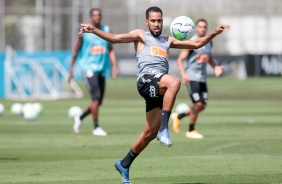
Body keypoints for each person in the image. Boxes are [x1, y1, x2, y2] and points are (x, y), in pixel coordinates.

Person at [79, 7, 229, 183]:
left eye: (159, 20)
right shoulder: (141, 35)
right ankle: (165, 128)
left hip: (158, 86)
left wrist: (214, 33)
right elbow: (115, 38)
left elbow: (196, 44)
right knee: (175, 82)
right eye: (153, 21)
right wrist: (94, 30)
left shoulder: (167, 40)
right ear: (146, 22)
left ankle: (124, 164)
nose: (157, 24)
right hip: (146, 81)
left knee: (149, 133)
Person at [68, 8, 118, 136]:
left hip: (102, 68)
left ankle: (80, 117)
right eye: (95, 15)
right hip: (88, 68)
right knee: (95, 98)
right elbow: (75, 51)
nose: (97, 17)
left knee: (98, 101)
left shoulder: (106, 30)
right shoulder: (84, 32)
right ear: (90, 17)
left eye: (99, 15)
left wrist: (114, 66)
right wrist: (71, 71)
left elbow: (111, 49)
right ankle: (96, 127)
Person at [171, 19, 224, 139]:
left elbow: (208, 57)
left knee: (202, 106)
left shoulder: (209, 43)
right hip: (192, 77)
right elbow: (180, 60)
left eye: (204, 27)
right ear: (196, 28)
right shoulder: (192, 42)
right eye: (200, 27)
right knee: (198, 103)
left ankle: (178, 116)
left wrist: (215, 67)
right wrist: (183, 74)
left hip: (202, 78)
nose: (202, 29)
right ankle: (191, 130)